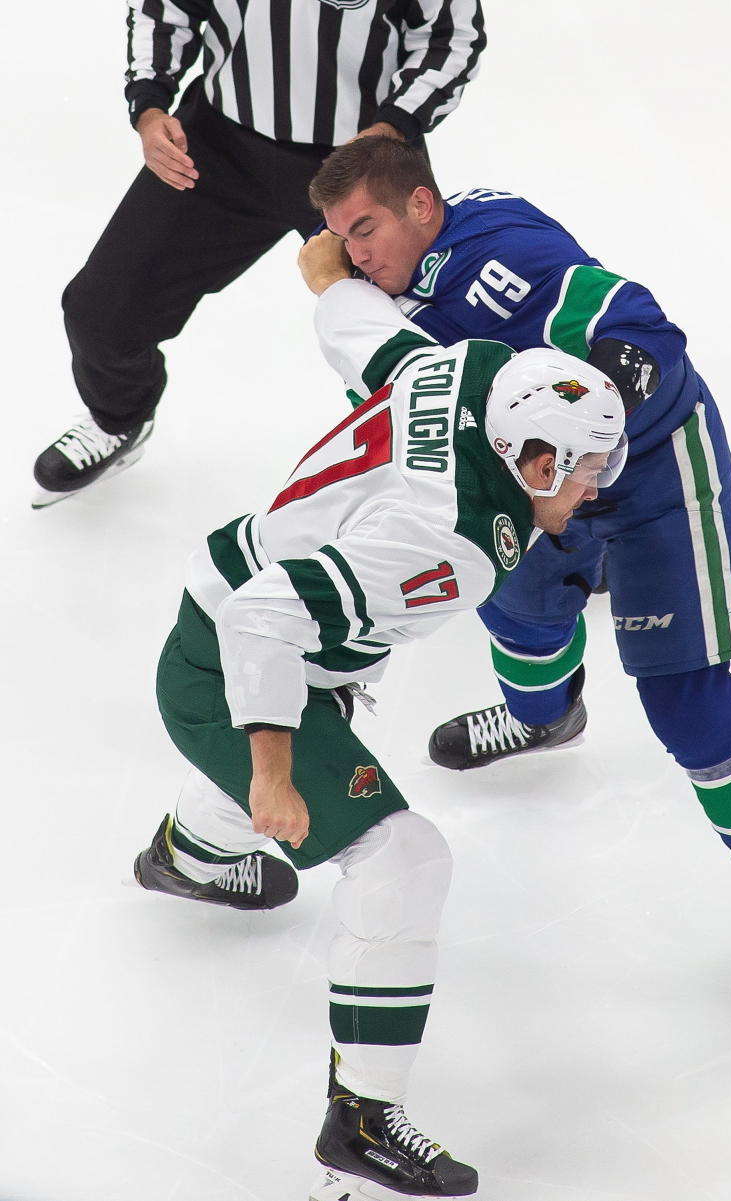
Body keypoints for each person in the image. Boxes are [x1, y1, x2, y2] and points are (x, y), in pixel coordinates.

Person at [132, 234, 626, 1199]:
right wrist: (271, 769)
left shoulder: (462, 371)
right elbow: (267, 617)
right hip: (226, 655)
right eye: (584, 469)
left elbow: (362, 329)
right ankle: (359, 1120)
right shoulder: (448, 546)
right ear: (530, 456)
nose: (595, 487)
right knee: (403, 857)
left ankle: (184, 855)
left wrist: (326, 275)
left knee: (318, 764)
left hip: (249, 613)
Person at [302, 136, 731, 1013]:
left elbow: (637, 325)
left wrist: (598, 418)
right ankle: (544, 720)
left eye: (365, 230)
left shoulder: (495, 259)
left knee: (688, 703)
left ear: (424, 208)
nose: (356, 256)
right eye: (341, 241)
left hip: (653, 465)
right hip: (533, 482)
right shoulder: (383, 289)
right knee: (521, 622)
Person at [32, 0, 486, 509]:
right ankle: (117, 418)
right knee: (103, 308)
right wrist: (150, 102)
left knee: (429, 326)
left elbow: (451, 36)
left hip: (362, 160)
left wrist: (393, 126)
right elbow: (164, 10)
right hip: (216, 146)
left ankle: (460, 469)